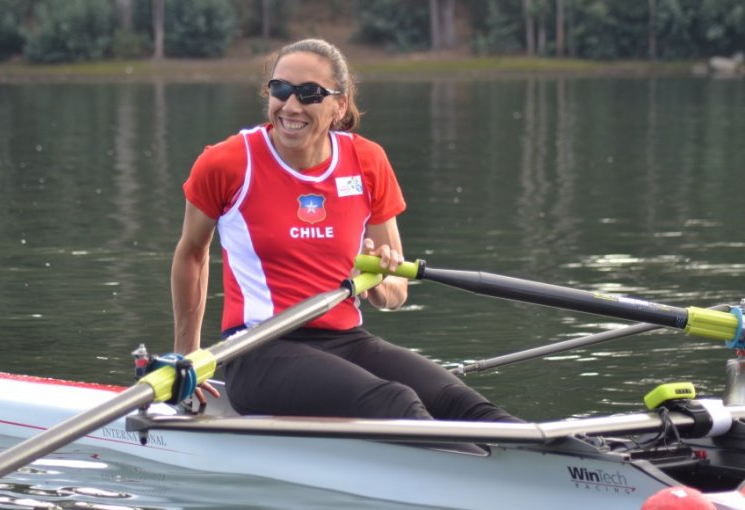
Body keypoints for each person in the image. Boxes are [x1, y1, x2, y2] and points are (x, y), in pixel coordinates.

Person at [171, 38, 518, 422]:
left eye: (309, 94)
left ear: (339, 103)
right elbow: (192, 254)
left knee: (463, 403)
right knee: (396, 402)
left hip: (347, 341)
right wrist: (188, 359)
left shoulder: (367, 161)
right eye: (280, 89)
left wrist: (378, 282)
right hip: (258, 350)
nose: (290, 106)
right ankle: (465, 474)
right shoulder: (227, 163)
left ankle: (577, 462)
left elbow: (395, 295)